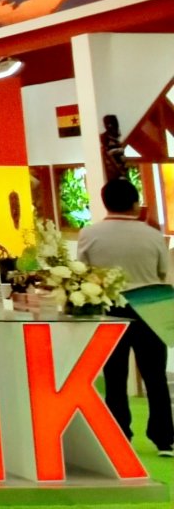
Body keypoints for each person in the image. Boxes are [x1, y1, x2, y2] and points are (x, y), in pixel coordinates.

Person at [78, 179, 173, 457]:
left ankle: (119, 435)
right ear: (135, 204)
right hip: (150, 305)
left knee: (115, 376)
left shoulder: (89, 234)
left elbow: (82, 271)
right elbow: (162, 272)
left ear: (105, 202)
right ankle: (164, 438)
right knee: (155, 377)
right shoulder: (153, 235)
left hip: (109, 308)